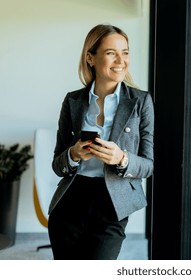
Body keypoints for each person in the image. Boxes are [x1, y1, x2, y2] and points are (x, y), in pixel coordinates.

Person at [48, 24, 154, 260]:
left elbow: (148, 165)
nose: (121, 60)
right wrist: (73, 154)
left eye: (125, 52)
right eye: (110, 53)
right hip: (71, 202)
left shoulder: (141, 102)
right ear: (90, 58)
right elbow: (57, 165)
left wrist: (122, 159)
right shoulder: (73, 101)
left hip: (113, 204)